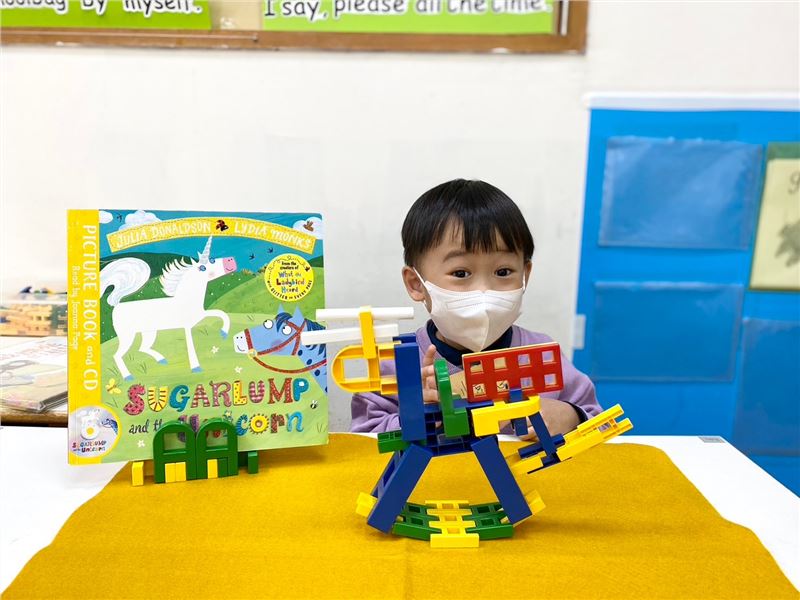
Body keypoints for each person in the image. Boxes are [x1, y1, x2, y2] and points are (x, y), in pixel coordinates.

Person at [350, 179, 602, 438]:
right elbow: (363, 438)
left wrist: (572, 416)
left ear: (525, 275)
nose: (484, 291)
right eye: (461, 273)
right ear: (416, 284)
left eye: (503, 272)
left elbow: (601, 424)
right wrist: (418, 418)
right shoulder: (396, 364)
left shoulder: (543, 355)